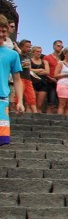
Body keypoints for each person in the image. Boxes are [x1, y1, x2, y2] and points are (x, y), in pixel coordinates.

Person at [0, 15, 25, 145]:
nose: (1, 34)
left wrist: (20, 100)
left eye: (3, 31)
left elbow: (17, 79)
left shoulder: (12, 54)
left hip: (2, 100)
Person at [16, 39, 37, 114]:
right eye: (27, 47)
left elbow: (29, 68)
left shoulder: (28, 57)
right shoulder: (17, 56)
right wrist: (23, 65)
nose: (28, 48)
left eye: (29, 47)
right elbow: (15, 66)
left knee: (31, 96)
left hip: (28, 78)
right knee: (18, 97)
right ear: (21, 47)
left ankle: (35, 113)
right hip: (20, 78)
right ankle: (17, 112)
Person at [42, 40, 63, 113]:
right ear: (54, 46)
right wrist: (50, 78)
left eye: (61, 46)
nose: (60, 48)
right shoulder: (47, 57)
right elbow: (45, 70)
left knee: (59, 103)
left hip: (60, 82)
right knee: (51, 102)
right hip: (50, 81)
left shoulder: (61, 59)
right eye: (58, 46)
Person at [55, 48, 68, 116]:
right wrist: (67, 75)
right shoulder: (61, 63)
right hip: (63, 84)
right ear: (65, 54)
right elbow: (56, 75)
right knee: (62, 104)